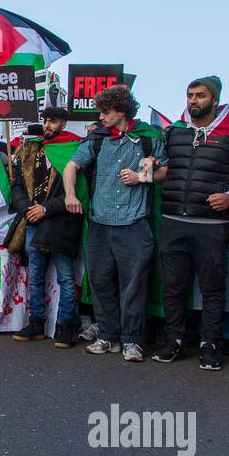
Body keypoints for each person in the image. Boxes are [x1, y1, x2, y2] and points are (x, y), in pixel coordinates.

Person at [150, 76, 229, 371]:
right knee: (173, 286)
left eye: (200, 95)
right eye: (190, 95)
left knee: (213, 289)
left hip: (212, 225)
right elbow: (163, 170)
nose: (193, 101)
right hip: (173, 219)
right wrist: (147, 171)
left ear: (214, 99)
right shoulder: (174, 133)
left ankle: (210, 343)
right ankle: (174, 340)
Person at [64, 86, 168, 362]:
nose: (101, 116)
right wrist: (71, 194)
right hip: (100, 223)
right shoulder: (97, 139)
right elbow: (71, 167)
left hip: (134, 223)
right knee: (100, 281)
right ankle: (107, 336)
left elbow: (164, 170)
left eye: (105, 111)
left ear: (121, 111)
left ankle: (132, 341)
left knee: (133, 284)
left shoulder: (148, 137)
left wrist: (141, 177)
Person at [11, 109, 85, 347]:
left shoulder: (74, 148)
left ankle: (65, 326)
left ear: (63, 122)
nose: (47, 125)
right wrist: (28, 208)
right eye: (45, 120)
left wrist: (46, 209)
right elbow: (18, 184)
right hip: (33, 220)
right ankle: (36, 322)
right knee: (35, 275)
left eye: (52, 121)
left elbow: (74, 190)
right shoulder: (33, 148)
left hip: (60, 220)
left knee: (65, 275)